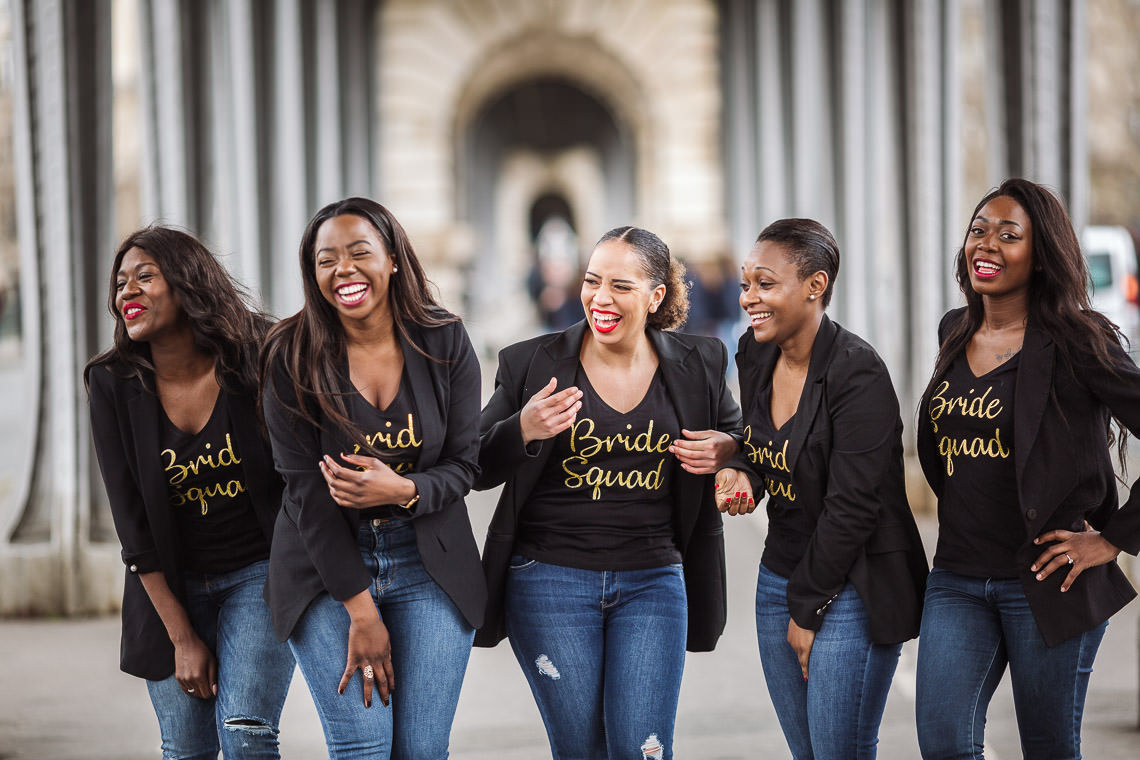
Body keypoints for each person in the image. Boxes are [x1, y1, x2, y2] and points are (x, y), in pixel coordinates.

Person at [475, 226, 743, 760]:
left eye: (621, 286)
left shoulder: (701, 363)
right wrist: (522, 428)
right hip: (549, 583)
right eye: (593, 281)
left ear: (656, 296)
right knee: (581, 751)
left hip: (655, 582)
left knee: (642, 749)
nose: (600, 298)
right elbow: (474, 464)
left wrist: (730, 458)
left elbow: (740, 439)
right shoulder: (531, 363)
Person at [914, 178, 1140, 759]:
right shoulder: (954, 330)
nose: (986, 244)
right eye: (978, 230)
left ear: (1042, 257)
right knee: (944, 743)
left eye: (1009, 235)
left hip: (1048, 579)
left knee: (1047, 748)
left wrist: (1112, 540)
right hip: (958, 576)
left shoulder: (1080, 342)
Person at [259, 197, 486, 759]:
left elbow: (465, 464)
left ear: (393, 260)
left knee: (421, 749)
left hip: (429, 561)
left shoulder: (444, 342)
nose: (344, 270)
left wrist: (404, 491)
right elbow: (306, 495)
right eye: (325, 259)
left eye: (360, 252)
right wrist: (360, 610)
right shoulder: (289, 355)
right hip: (323, 570)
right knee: (361, 747)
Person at [715, 218, 928, 759]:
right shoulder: (755, 353)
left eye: (765, 284)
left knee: (842, 751)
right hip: (777, 577)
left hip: (853, 585)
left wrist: (807, 610)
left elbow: (853, 507)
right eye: (745, 284)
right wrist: (742, 467)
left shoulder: (860, 374)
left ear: (816, 285)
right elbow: (762, 440)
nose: (748, 299)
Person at [85, 226, 294, 759]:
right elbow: (132, 525)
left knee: (247, 734)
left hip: (259, 572)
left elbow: (299, 473)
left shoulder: (258, 354)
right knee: (186, 749)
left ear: (187, 284)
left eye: (145, 277)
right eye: (120, 282)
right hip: (170, 587)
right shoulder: (112, 383)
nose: (126, 291)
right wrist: (182, 638)